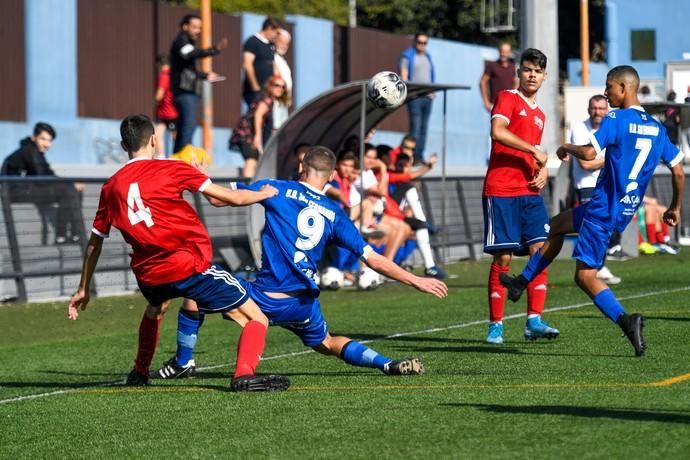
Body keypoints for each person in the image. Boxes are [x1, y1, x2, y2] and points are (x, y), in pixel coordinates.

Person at [155, 146, 448, 380]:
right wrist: (417, 280)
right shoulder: (336, 214)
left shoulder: (276, 188)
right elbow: (374, 260)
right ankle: (386, 364)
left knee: (195, 296)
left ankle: (185, 362)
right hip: (302, 305)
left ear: (300, 168)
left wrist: (201, 179)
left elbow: (220, 200)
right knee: (328, 343)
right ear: (331, 176)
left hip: (264, 296)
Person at [67, 114, 289, 392]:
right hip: (188, 267)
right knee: (257, 317)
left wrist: (83, 288)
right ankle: (243, 374)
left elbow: (94, 242)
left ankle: (140, 371)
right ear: (154, 140)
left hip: (149, 275)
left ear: (125, 147)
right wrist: (265, 193)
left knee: (156, 307)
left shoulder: (110, 188)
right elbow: (231, 198)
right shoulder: (171, 168)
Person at [500, 65, 685, 357]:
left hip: (602, 209)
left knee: (584, 277)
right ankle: (521, 283)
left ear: (624, 88)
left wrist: (565, 146)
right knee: (559, 224)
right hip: (621, 209)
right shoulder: (657, 128)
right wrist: (674, 207)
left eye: (610, 87)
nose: (607, 93)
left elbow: (589, 153)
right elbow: (677, 172)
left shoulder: (616, 118)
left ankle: (628, 322)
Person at [482, 48, 556, 345]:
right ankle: (495, 326)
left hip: (529, 190)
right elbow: (497, 132)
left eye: (537, 71)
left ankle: (533, 320)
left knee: (542, 251)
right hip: (501, 188)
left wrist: (543, 169)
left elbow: (534, 153)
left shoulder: (540, 114)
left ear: (544, 76)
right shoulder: (507, 97)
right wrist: (534, 150)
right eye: (527, 70)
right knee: (504, 256)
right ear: (519, 72)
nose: (532, 75)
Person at [1, 122, 84, 245]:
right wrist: (69, 184)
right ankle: (62, 236)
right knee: (67, 189)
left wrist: (70, 183)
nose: (47, 144)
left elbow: (48, 173)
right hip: (16, 192)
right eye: (43, 139)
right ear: (34, 137)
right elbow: (41, 176)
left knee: (71, 188)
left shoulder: (35, 151)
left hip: (26, 188)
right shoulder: (29, 151)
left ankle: (76, 235)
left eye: (49, 141)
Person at [569, 94, 622, 284]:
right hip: (587, 186)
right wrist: (610, 162)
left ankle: (597, 266)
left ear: (607, 110)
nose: (597, 112)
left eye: (601, 108)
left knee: (606, 228)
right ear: (588, 109)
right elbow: (585, 163)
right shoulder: (580, 130)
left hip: (608, 187)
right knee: (593, 228)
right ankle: (595, 268)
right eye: (594, 108)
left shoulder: (611, 129)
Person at [170, 14, 227, 154]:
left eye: (200, 28)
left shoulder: (187, 43)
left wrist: (206, 75)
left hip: (188, 91)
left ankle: (178, 159)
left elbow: (189, 69)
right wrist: (213, 50)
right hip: (184, 92)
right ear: (185, 27)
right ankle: (183, 160)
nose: (198, 31)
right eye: (195, 27)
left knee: (187, 126)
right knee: (188, 126)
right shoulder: (181, 41)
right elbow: (190, 54)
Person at [230, 75, 289, 178]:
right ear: (270, 86)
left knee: (255, 160)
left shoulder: (270, 101)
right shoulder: (267, 100)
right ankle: (247, 185)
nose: (280, 89)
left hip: (246, 134)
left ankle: (247, 181)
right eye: (277, 85)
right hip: (247, 135)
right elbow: (258, 115)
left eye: (283, 87)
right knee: (251, 159)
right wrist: (257, 136)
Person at [399, 33, 436, 164]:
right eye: (420, 42)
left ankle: (419, 156)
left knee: (424, 129)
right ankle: (411, 156)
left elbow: (431, 76)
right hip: (415, 96)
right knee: (415, 127)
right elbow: (404, 75)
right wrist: (408, 91)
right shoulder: (407, 55)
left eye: (425, 42)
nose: (422, 45)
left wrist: (432, 92)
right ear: (415, 42)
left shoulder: (428, 57)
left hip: (427, 97)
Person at [242, 16, 280, 107]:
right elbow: (247, 65)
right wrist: (256, 88)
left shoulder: (271, 45)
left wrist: (277, 83)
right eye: (276, 32)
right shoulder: (253, 42)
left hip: (268, 91)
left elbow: (273, 64)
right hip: (255, 91)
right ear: (269, 29)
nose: (277, 35)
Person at [480, 42, 518, 113]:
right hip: (495, 105)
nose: (503, 54)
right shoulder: (492, 65)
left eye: (506, 52)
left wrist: (515, 101)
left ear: (509, 53)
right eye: (502, 51)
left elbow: (515, 83)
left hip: (509, 105)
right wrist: (486, 102)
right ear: (499, 51)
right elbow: (482, 82)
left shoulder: (512, 66)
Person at [154, 54, 178, 158]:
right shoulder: (175, 74)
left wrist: (156, 99)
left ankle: (161, 156)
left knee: (158, 135)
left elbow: (159, 95)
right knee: (175, 137)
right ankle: (177, 157)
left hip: (166, 111)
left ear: (159, 64)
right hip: (174, 111)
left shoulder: (164, 75)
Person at [272, 28, 292, 131]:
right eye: (281, 42)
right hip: (275, 102)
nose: (284, 46)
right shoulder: (272, 57)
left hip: (283, 102)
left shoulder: (282, 60)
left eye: (286, 44)